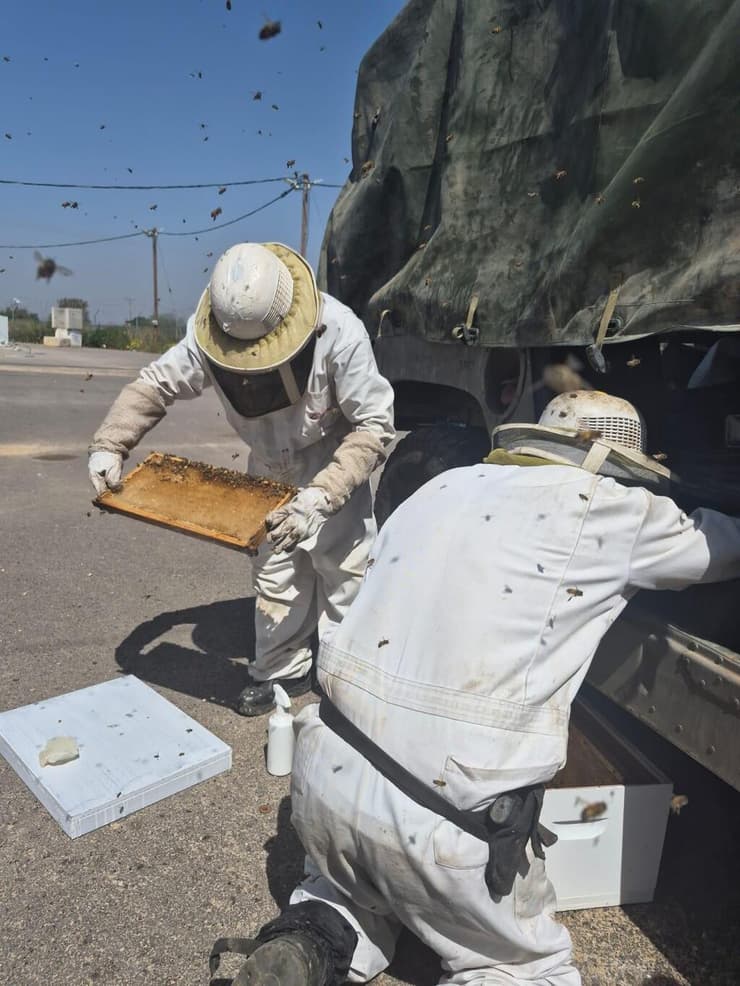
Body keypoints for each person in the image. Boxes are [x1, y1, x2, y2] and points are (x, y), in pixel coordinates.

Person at [208, 390, 740, 986]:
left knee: (350, 891)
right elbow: (721, 548)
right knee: (524, 967)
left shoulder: (442, 485)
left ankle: (316, 934)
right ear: (617, 464)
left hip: (324, 776)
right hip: (445, 823)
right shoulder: (613, 508)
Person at [88, 242, 395, 715]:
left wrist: (323, 495)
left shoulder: (340, 331)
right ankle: (283, 671)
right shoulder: (209, 334)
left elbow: (374, 424)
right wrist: (111, 442)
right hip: (266, 469)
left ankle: (347, 678)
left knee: (344, 571)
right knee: (275, 573)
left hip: (330, 461)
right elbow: (155, 384)